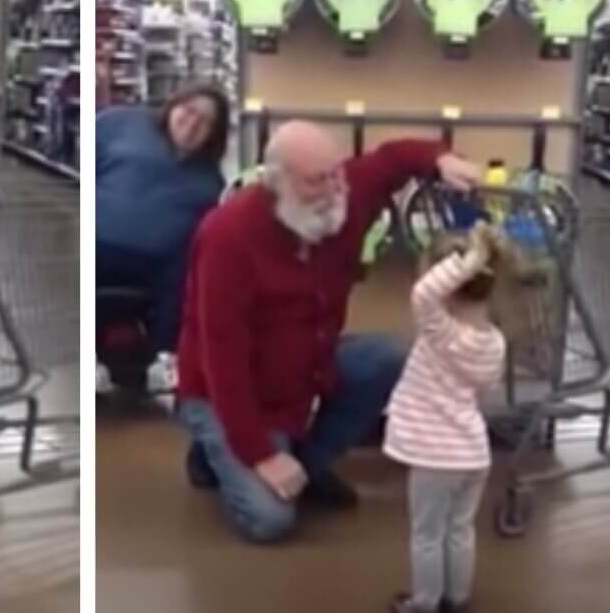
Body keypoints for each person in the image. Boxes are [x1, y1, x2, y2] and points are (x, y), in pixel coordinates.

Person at [175, 120, 484, 543]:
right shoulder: (227, 237)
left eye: (336, 172)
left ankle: (305, 464)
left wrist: (441, 158)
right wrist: (259, 454)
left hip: (302, 367)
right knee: (271, 520)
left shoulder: (344, 195)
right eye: (316, 180)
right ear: (276, 182)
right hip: (225, 390)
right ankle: (219, 452)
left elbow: (391, 159)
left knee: (386, 357)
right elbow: (221, 360)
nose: (335, 188)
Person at [387, 223, 529, 613]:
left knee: (427, 535)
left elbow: (423, 295)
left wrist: (469, 260)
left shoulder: (443, 334)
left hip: (436, 457)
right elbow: (482, 392)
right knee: (460, 530)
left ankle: (425, 602)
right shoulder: (494, 342)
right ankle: (458, 597)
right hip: (472, 453)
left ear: (450, 285)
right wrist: (475, 263)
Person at [95, 85, 229, 393]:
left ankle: (165, 358)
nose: (193, 123)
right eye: (189, 110)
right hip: (99, 243)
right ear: (172, 106)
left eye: (205, 121)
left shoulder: (210, 181)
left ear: (214, 135)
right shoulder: (119, 123)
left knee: (193, 269)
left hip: (161, 263)